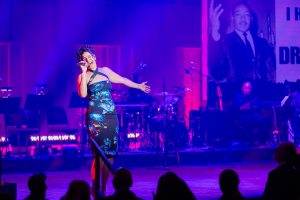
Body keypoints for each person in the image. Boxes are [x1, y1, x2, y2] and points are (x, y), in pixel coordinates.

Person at [77, 45, 150, 195]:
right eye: (84, 59)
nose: (88, 60)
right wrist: (84, 73)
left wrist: (138, 86)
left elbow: (122, 80)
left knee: (109, 154)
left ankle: (103, 188)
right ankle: (95, 187)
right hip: (95, 118)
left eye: (89, 56)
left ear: (94, 56)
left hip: (111, 116)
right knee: (98, 154)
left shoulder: (105, 71)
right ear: (81, 62)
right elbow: (83, 94)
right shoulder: (83, 76)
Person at [209, 0, 275, 83]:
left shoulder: (262, 43)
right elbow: (216, 73)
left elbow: (270, 72)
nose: (243, 18)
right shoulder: (225, 42)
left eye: (246, 15)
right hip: (235, 94)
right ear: (232, 18)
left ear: (251, 18)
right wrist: (214, 33)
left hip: (261, 94)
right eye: (238, 15)